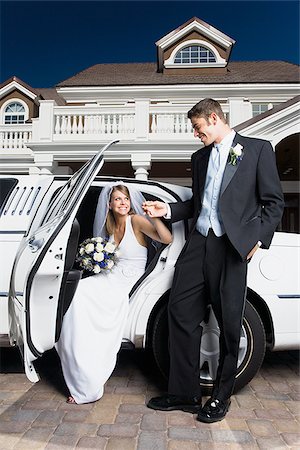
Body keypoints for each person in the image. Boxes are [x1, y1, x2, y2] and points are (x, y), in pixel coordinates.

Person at [143, 98, 284, 423]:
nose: (196, 134)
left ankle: (221, 396)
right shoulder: (200, 157)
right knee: (179, 310)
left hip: (232, 247)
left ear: (215, 118)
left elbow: (273, 203)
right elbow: (198, 205)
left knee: (230, 322)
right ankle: (185, 392)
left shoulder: (258, 149)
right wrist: (167, 211)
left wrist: (257, 240)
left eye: (197, 127)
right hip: (198, 244)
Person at [56, 182, 172, 404]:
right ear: (109, 204)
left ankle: (88, 385)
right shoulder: (110, 228)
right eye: (118, 199)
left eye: (126, 199)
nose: (123, 203)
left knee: (81, 299)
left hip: (125, 284)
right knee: (76, 293)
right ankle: (79, 366)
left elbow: (167, 239)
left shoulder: (136, 221)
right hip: (108, 278)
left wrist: (153, 216)